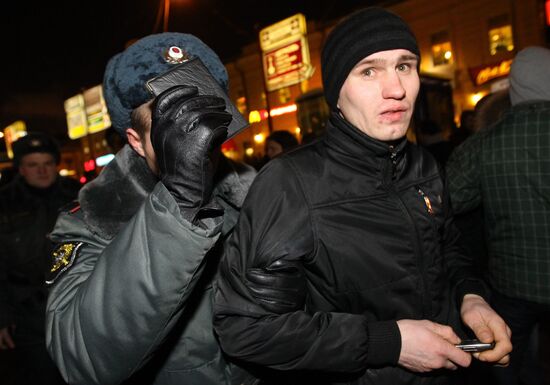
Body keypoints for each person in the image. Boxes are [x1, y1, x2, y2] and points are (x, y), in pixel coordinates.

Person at [213, 7, 511, 385]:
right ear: (337, 92)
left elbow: (448, 248)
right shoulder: (290, 183)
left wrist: (470, 296)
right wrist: (389, 342)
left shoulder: (423, 165)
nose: (397, 89)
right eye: (369, 71)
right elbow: (246, 329)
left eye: (404, 66)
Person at [44, 32, 256, 385]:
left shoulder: (259, 192)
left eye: (204, 115)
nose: (196, 136)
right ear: (137, 142)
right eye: (173, 124)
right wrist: (178, 202)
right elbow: (79, 360)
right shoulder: (91, 221)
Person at [446, 46, 550, 385]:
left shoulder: (485, 144)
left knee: (507, 362)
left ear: (514, 86)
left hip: (512, 283)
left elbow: (452, 201)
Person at [0, 132, 80, 385]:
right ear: (21, 169)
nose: (42, 171)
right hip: (28, 313)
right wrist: (2, 317)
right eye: (33, 165)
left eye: (47, 163)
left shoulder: (81, 195)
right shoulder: (4, 203)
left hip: (77, 304)